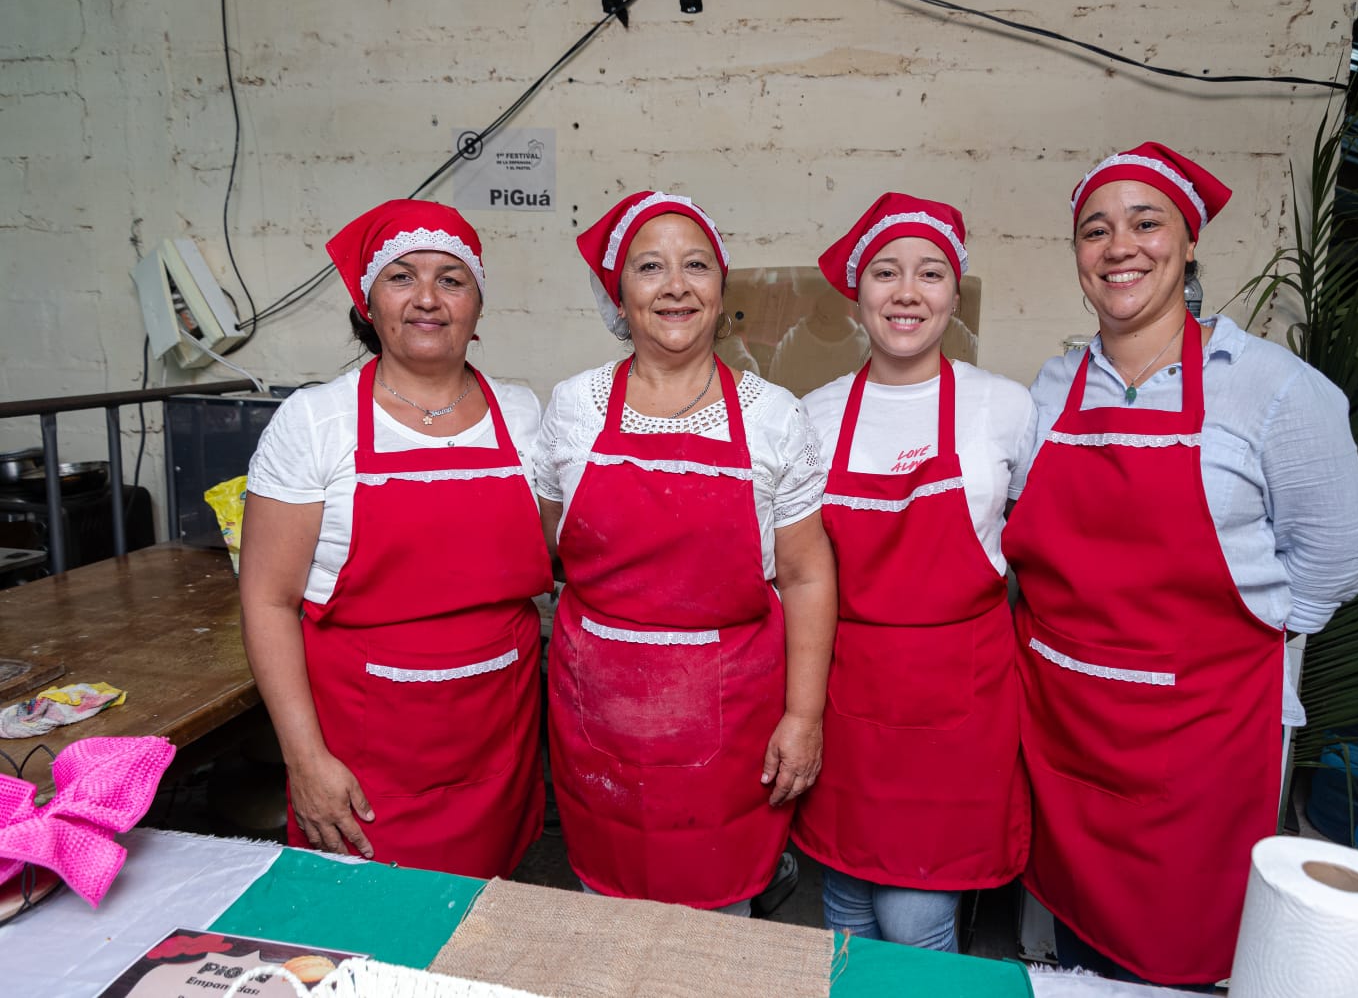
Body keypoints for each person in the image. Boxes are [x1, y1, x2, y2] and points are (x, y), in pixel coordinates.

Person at [1002, 143, 1358, 986]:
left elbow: (1339, 556)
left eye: (1146, 223)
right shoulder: (1053, 387)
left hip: (1201, 736)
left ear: (1189, 241)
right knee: (1080, 948)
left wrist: (1237, 647)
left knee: (1177, 953)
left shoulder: (1274, 389)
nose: (1119, 247)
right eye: (1095, 230)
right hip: (1068, 723)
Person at [535, 191, 837, 914]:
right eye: (650, 267)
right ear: (619, 294)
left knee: (717, 930)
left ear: (721, 290)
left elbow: (806, 575)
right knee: (605, 917)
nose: (675, 285)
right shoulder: (573, 407)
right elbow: (550, 546)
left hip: (730, 728)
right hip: (598, 718)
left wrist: (803, 717)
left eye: (695, 266)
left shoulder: (773, 416)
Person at [239, 199, 552, 879]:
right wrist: (305, 761)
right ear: (368, 302)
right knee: (369, 926)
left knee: (486, 917)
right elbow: (267, 602)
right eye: (402, 277)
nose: (427, 298)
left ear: (476, 305)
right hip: (364, 756)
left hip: (497, 738)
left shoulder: (522, 414)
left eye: (451, 279)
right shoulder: (316, 421)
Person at [793, 193, 1035, 951]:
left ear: (954, 294)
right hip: (847, 695)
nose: (907, 292)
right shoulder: (814, 414)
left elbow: (1037, 547)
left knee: (914, 919)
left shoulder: (1006, 407)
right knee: (846, 902)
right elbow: (795, 569)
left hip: (959, 704)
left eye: (929, 274)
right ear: (858, 293)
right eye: (885, 272)